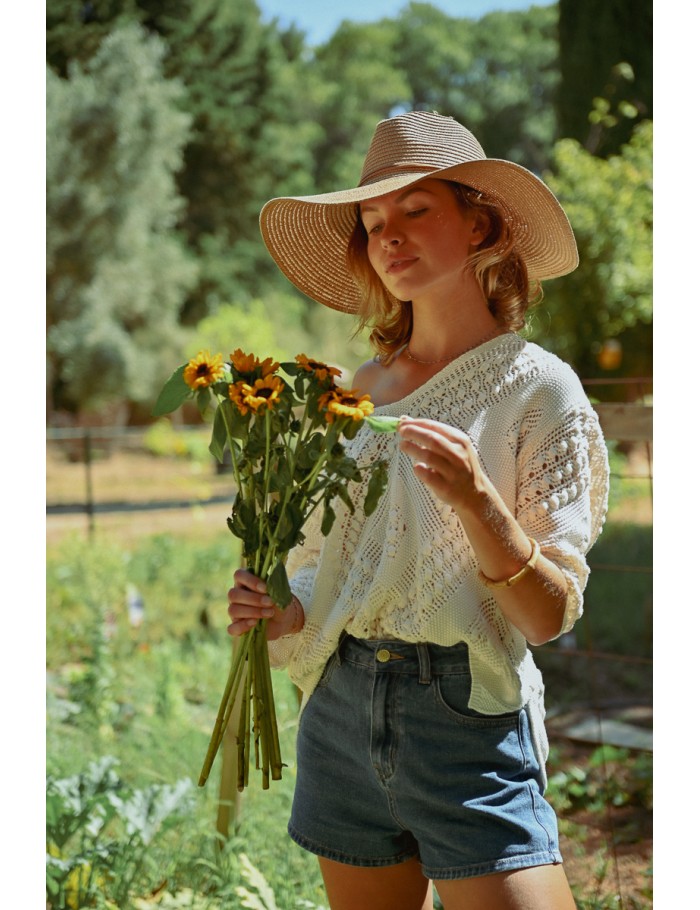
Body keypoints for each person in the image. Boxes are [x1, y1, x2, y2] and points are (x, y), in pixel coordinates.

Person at [227, 111, 609, 910]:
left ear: (481, 225)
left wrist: (479, 505)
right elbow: (320, 569)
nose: (389, 235)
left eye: (414, 210)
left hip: (466, 717)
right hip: (338, 712)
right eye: (371, 223)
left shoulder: (541, 390)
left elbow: (546, 618)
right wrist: (282, 614)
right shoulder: (354, 395)